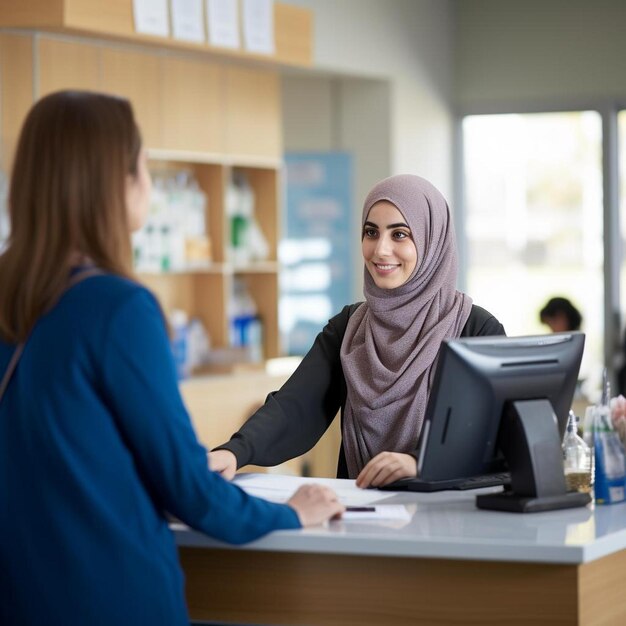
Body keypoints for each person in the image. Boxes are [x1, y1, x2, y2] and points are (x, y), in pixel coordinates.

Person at [0, 90, 344, 626]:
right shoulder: (117, 308)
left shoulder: (12, 295)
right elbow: (189, 489)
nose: (148, 180)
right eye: (142, 164)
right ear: (114, 181)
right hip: (111, 598)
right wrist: (291, 515)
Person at [210, 174, 506, 489]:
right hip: (364, 515)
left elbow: (491, 436)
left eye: (400, 235)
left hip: (453, 521)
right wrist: (235, 451)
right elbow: (296, 407)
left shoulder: (475, 330)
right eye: (371, 232)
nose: (381, 250)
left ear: (432, 240)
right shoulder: (349, 329)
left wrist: (422, 462)